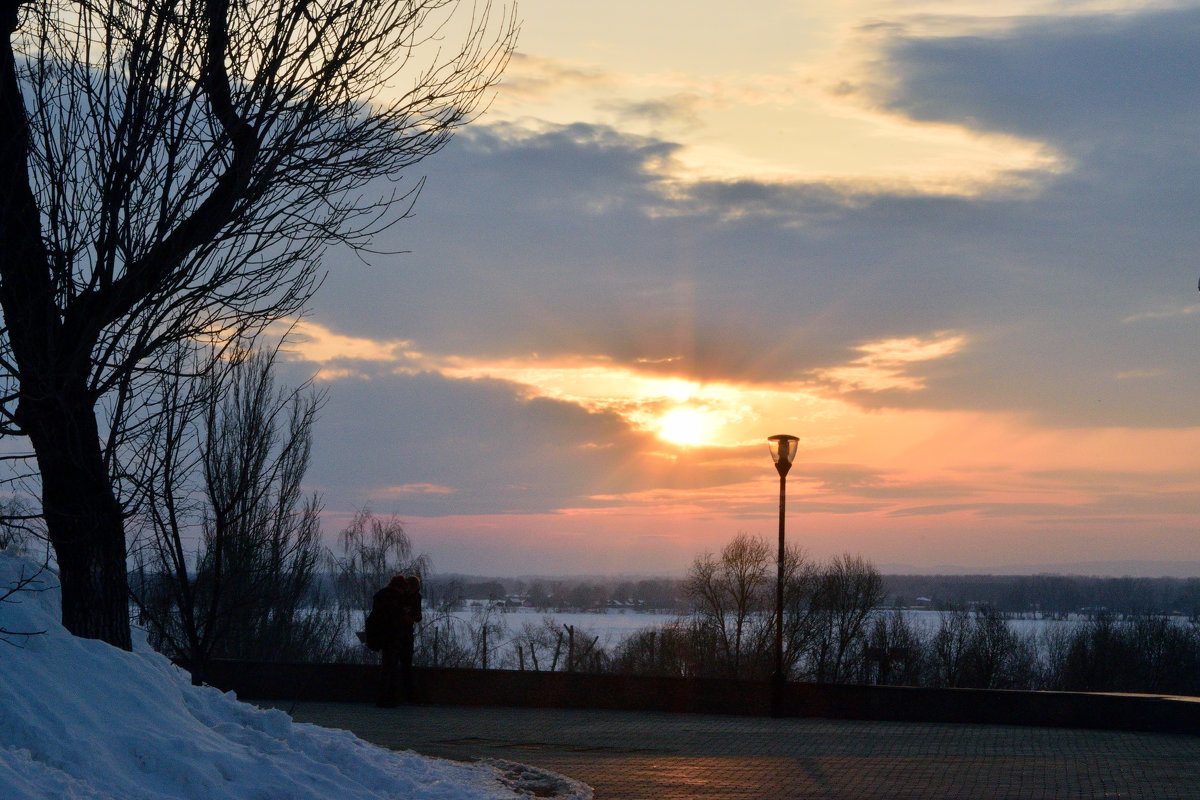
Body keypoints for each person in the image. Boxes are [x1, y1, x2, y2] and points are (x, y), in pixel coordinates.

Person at [371, 574, 410, 707]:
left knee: (387, 667)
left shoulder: (380, 596)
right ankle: (389, 698)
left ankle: (383, 698)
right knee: (391, 668)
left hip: (382, 635)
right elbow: (398, 618)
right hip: (393, 636)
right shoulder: (397, 598)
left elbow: (376, 617)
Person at [397, 574, 422, 702]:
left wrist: (411, 617)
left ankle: (404, 694)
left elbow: (418, 616)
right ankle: (406, 694)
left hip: (405, 634)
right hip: (400, 634)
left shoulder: (415, 597)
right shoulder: (403, 597)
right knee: (403, 663)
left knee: (405, 663)